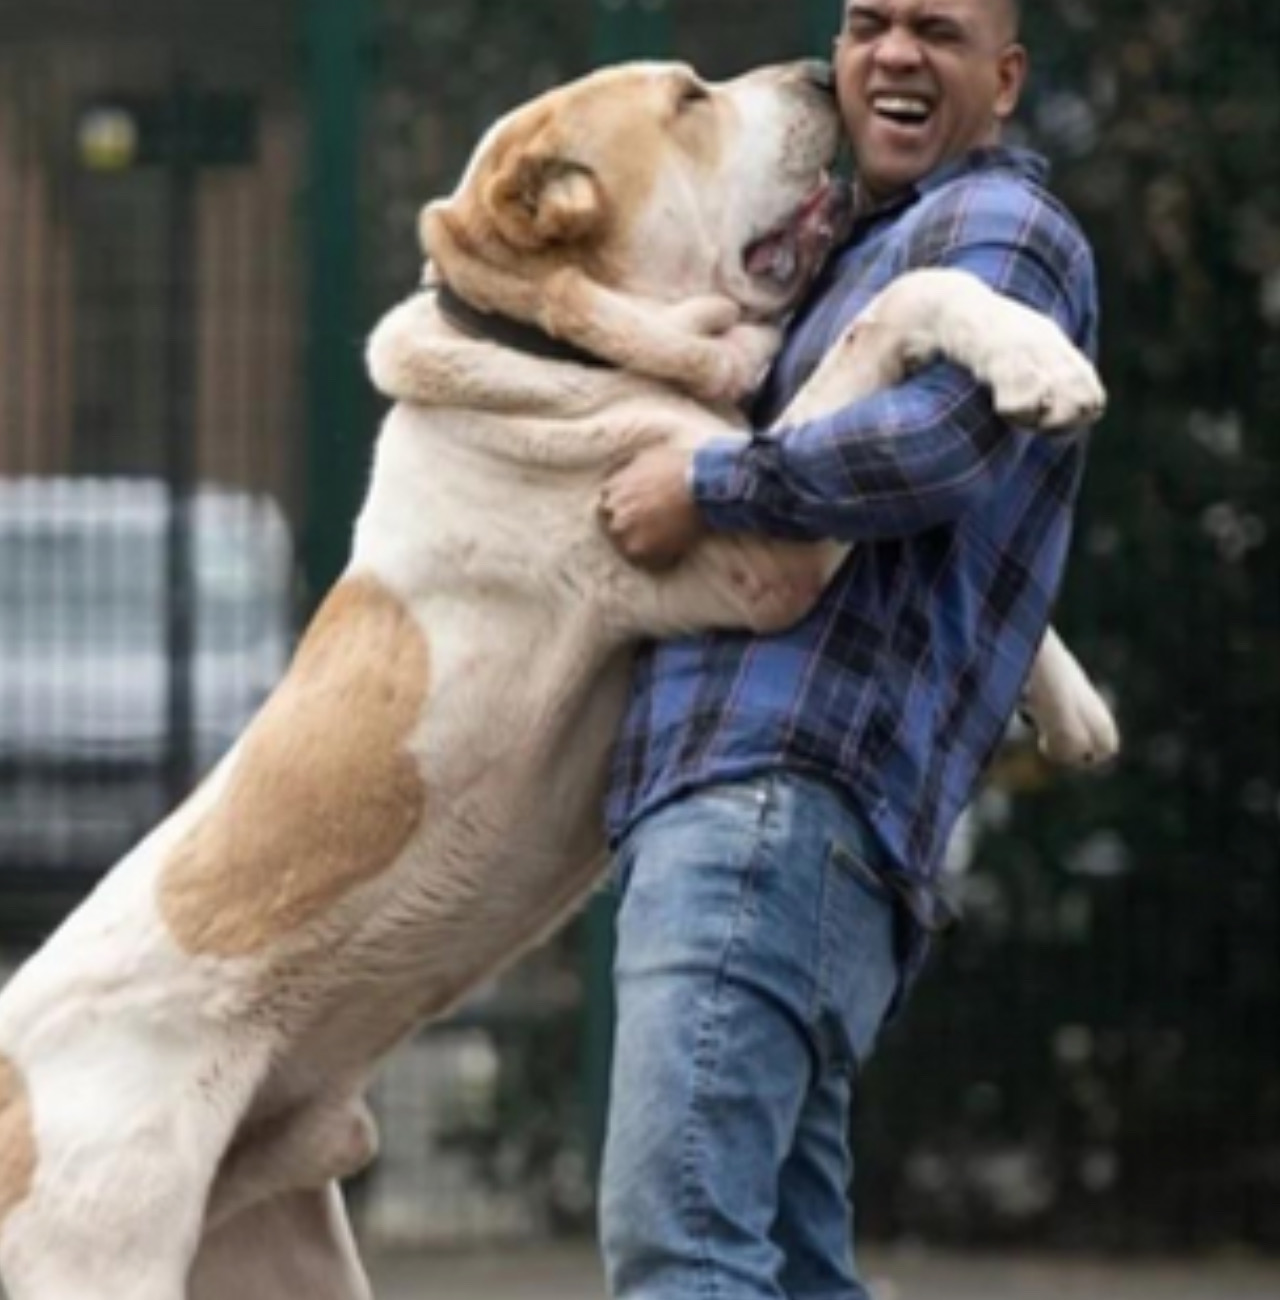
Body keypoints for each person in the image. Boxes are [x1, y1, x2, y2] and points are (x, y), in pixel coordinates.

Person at [594, 1, 1098, 1297]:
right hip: (778, 824)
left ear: (1007, 76)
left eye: (937, 28)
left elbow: (938, 444)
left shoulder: (996, 227)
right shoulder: (848, 248)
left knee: (681, 1253)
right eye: (870, 20)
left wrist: (708, 483)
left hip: (773, 797)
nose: (892, 53)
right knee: (794, 1266)